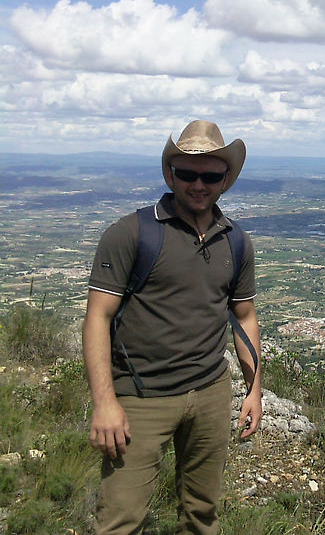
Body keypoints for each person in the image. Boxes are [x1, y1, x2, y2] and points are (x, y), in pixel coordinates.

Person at [83, 120, 262, 534]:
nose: (198, 184)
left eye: (210, 175)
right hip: (140, 397)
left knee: (202, 515)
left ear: (225, 180)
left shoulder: (236, 241)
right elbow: (97, 317)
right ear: (170, 174)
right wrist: (105, 402)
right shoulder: (132, 233)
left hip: (212, 394)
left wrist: (253, 390)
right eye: (187, 173)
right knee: (120, 520)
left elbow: (245, 316)